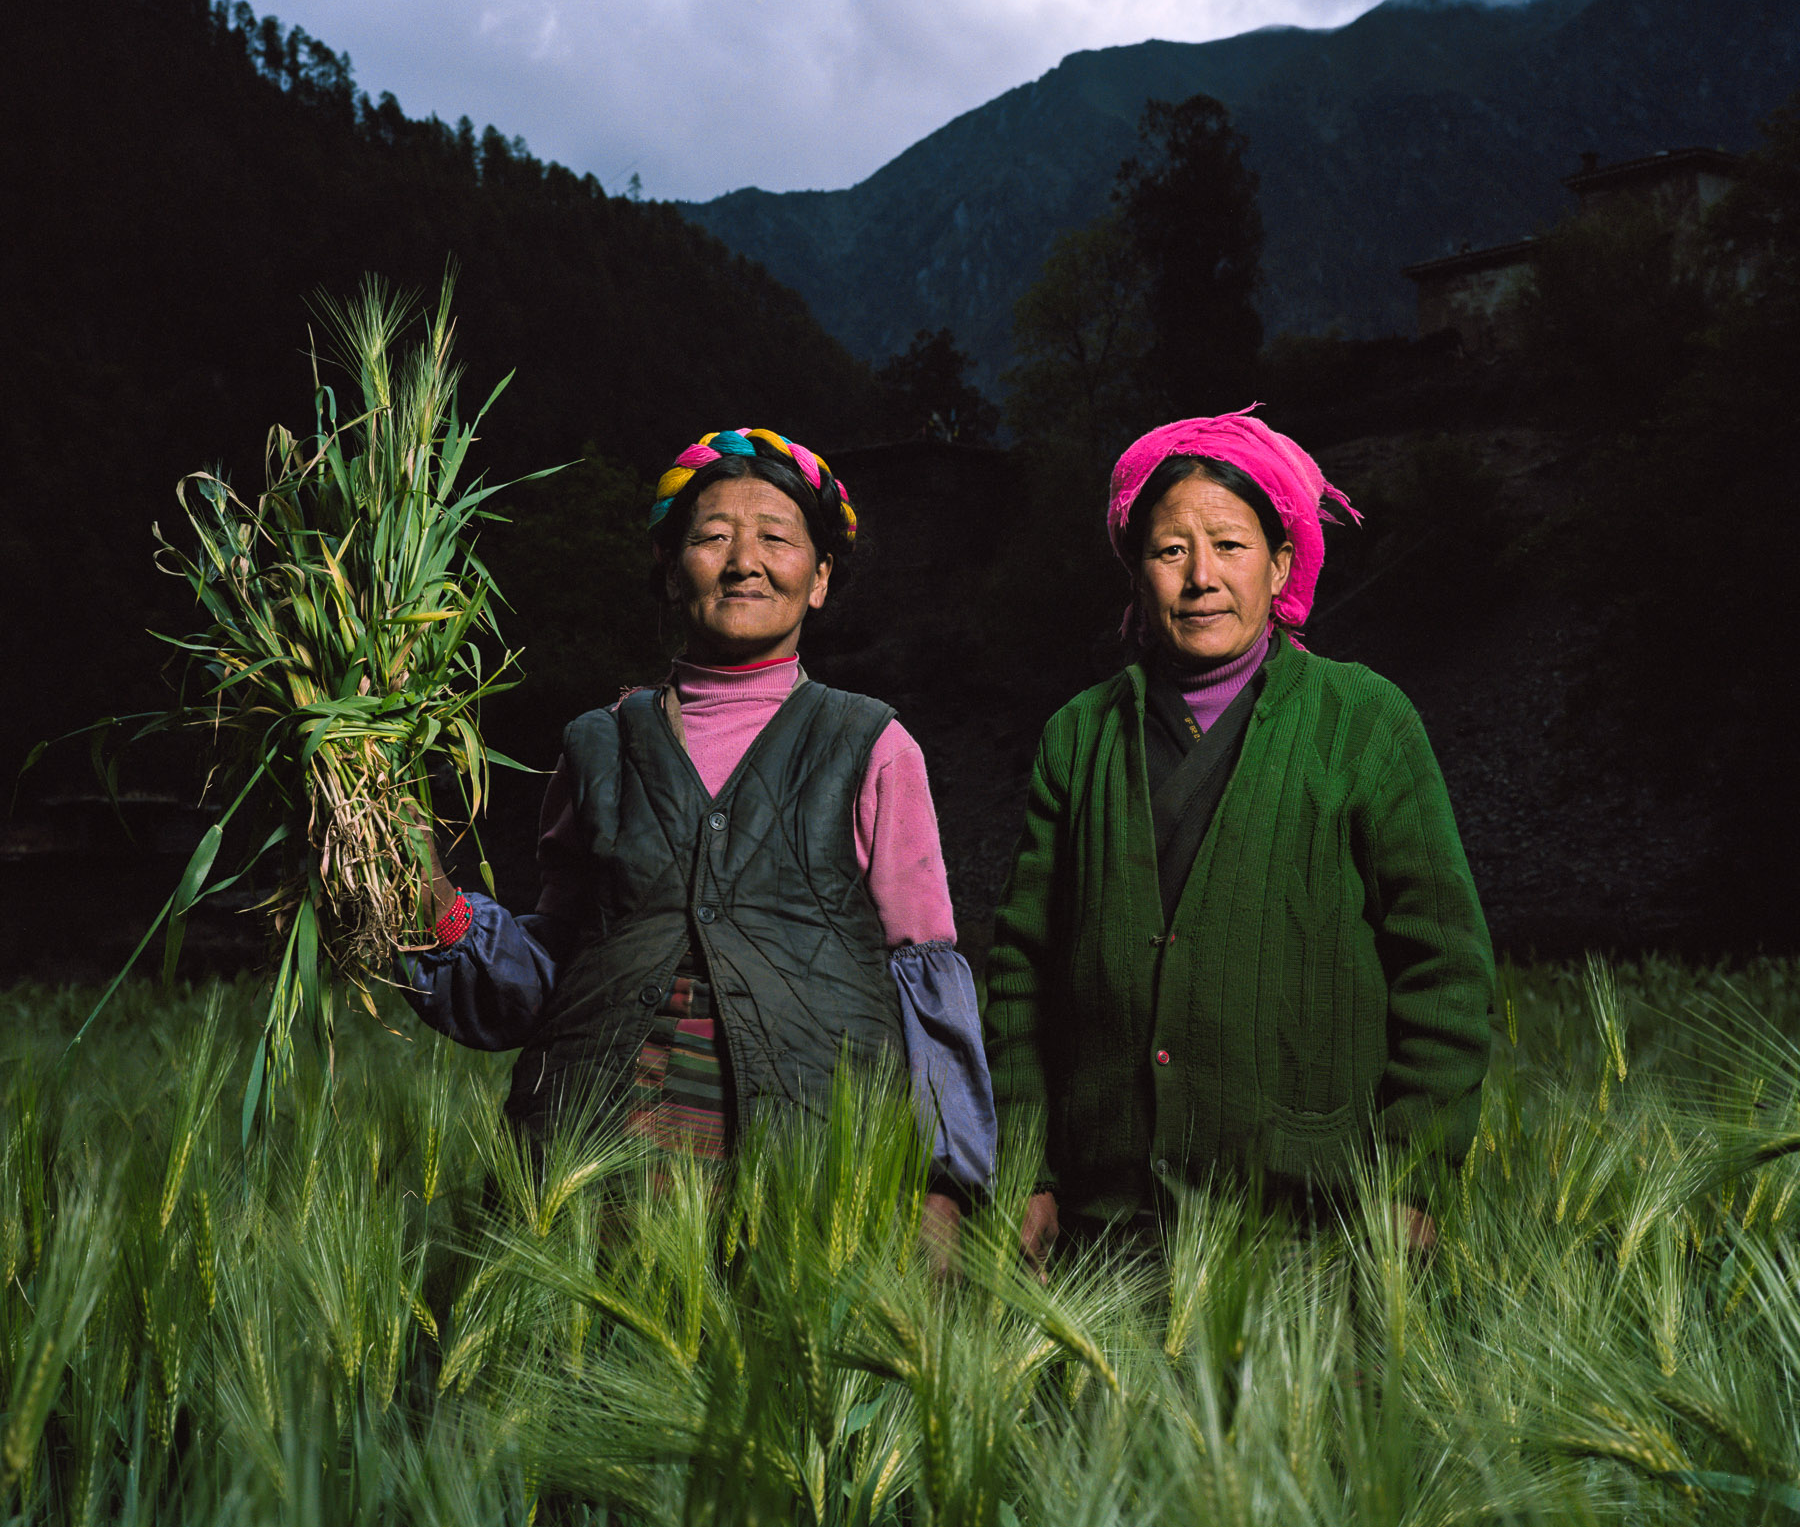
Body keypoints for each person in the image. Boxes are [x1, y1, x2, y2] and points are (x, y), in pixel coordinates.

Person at [406, 427, 994, 1236]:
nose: (744, 560)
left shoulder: (873, 749)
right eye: (712, 536)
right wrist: (423, 892)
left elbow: (920, 971)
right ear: (668, 570)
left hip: (807, 1188)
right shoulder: (598, 745)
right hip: (596, 1179)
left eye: (777, 539)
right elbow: (562, 964)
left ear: (820, 578)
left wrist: (943, 1188)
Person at [982, 408, 1493, 1261]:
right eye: (1170, 550)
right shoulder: (1079, 735)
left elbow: (1443, 965)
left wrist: (1412, 1179)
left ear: (1280, 562)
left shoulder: (1363, 721)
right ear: (1137, 574)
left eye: (1229, 545)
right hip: (1110, 1225)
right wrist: (1027, 1166)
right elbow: (1020, 969)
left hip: (1310, 1225)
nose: (1200, 577)